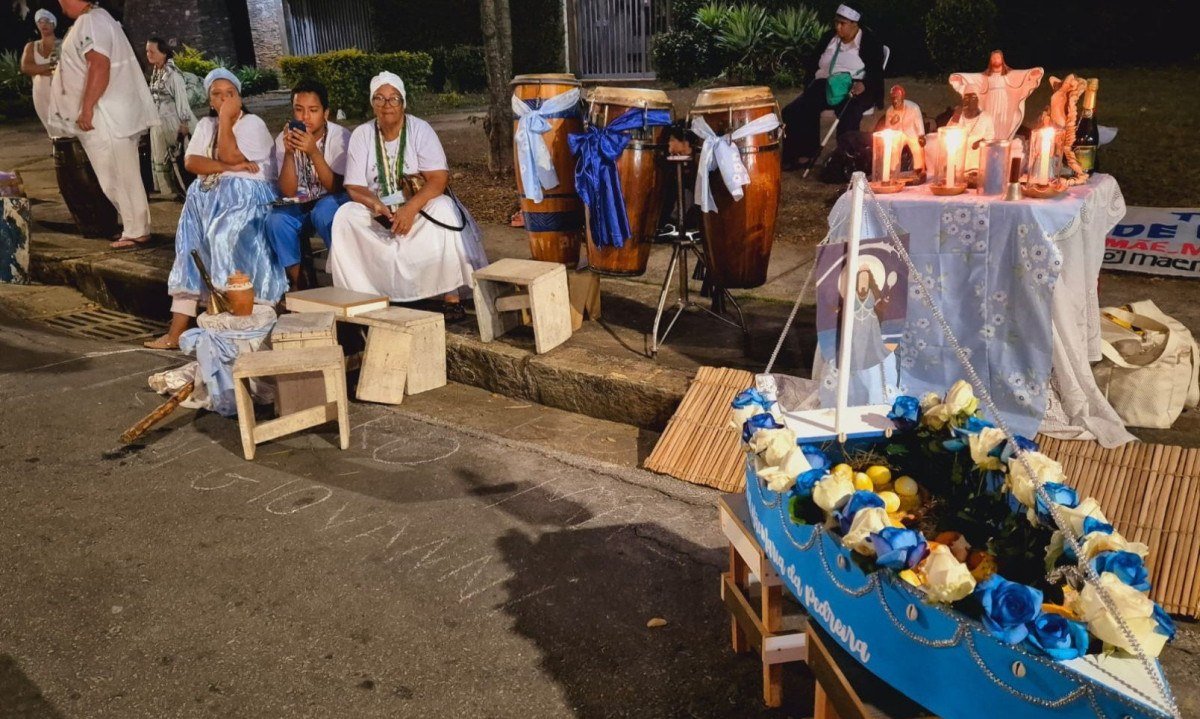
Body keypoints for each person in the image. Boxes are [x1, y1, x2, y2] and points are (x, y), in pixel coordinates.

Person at [146, 68, 286, 350]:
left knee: (222, 237)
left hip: (246, 198)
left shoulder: (252, 123)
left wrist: (225, 120)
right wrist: (227, 167)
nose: (224, 99)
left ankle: (234, 328)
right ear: (209, 99)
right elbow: (192, 163)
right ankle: (176, 333)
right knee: (188, 249)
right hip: (205, 197)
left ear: (239, 97)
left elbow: (229, 153)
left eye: (230, 94)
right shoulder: (204, 125)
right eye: (217, 95)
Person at [329, 72, 487, 321]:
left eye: (394, 98)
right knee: (345, 215)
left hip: (418, 206)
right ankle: (364, 295)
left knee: (444, 207)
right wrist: (375, 204)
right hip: (380, 211)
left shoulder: (420, 129)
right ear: (372, 103)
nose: (387, 105)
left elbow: (438, 178)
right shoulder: (362, 134)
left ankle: (451, 297)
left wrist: (410, 209)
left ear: (403, 102)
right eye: (379, 98)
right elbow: (355, 186)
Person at [48, 0, 158, 248]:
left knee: (118, 174)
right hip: (106, 115)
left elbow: (99, 64)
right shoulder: (92, 19)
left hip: (107, 116)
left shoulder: (92, 21)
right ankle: (134, 227)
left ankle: (136, 229)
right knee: (115, 175)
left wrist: (87, 108)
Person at [266, 79, 351, 291]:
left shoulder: (340, 137)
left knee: (324, 212)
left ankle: (345, 278)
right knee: (277, 220)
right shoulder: (284, 138)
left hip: (332, 199)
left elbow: (336, 186)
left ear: (325, 113)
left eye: (313, 110)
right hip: (300, 203)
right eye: (299, 109)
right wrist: (288, 154)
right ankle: (300, 282)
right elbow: (287, 191)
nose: (305, 117)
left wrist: (313, 152)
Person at [780, 4, 885, 170]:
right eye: (836, 22)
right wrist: (810, 83)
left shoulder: (869, 41)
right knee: (794, 110)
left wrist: (864, 84)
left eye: (843, 24)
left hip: (854, 86)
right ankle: (803, 155)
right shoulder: (829, 37)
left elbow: (876, 71)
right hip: (825, 84)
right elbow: (813, 63)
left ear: (855, 24)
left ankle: (844, 161)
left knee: (849, 113)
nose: (838, 27)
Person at [144, 37, 197, 200]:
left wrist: (184, 123)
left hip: (173, 122)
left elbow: (182, 101)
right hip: (159, 123)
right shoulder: (156, 72)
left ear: (164, 53)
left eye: (152, 51)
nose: (148, 54)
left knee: (179, 157)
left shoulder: (173, 76)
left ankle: (190, 191)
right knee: (165, 158)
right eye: (147, 51)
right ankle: (177, 191)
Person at [949, 50, 1043, 141]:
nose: (995, 60)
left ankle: (1002, 141)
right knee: (990, 119)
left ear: (1002, 59)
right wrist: (960, 78)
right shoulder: (986, 75)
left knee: (1003, 120)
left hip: (1004, 101)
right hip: (990, 101)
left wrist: (1031, 74)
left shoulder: (1009, 74)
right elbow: (973, 78)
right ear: (990, 60)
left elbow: (1021, 75)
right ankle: (990, 139)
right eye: (993, 58)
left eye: (998, 58)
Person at [19, 8, 60, 138]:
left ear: (53, 23)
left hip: (59, 93)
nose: (44, 24)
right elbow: (26, 67)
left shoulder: (62, 44)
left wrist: (38, 68)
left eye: (47, 21)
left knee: (65, 127)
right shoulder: (31, 46)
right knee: (51, 129)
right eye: (40, 21)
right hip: (40, 94)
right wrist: (51, 66)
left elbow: (64, 68)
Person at [874, 84, 925, 171]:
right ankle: (893, 170)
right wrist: (892, 122)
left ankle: (919, 169)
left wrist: (921, 135)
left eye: (897, 98)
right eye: (893, 99)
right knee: (894, 149)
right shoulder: (890, 111)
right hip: (897, 134)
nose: (895, 101)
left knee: (917, 149)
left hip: (911, 132)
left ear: (902, 98)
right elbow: (887, 129)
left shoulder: (913, 108)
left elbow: (919, 122)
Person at [948, 91, 995, 171]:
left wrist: (981, 142)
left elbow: (990, 135)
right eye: (966, 99)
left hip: (978, 156)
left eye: (973, 98)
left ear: (977, 101)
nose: (969, 101)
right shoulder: (959, 116)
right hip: (959, 156)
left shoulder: (986, 117)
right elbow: (948, 132)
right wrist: (956, 115)